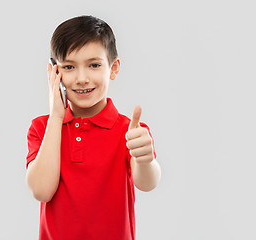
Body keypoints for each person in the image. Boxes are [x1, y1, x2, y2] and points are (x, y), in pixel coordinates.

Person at [25, 15, 161, 240]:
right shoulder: (42, 128)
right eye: (69, 67)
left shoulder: (130, 131)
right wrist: (57, 116)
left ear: (113, 68)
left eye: (94, 65)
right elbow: (41, 190)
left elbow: (147, 182)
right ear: (54, 73)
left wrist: (146, 159)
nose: (82, 78)